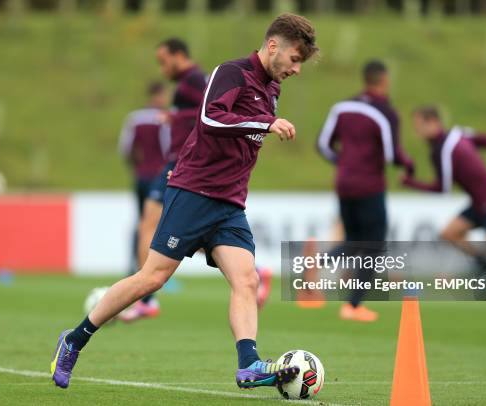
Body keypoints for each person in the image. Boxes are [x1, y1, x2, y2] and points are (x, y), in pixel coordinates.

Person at [51, 13, 318, 390]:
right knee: (152, 278)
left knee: (246, 279)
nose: (296, 69)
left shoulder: (272, 90)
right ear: (273, 46)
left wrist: (261, 125)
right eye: (294, 59)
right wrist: (264, 124)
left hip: (228, 203)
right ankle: (74, 339)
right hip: (194, 192)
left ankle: (249, 365)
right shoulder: (231, 73)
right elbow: (211, 119)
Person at [316, 60, 414, 322]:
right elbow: (393, 155)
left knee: (353, 241)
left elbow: (323, 144)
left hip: (344, 183)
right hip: (369, 186)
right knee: (374, 246)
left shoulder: (342, 107)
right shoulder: (385, 113)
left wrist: (345, 164)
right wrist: (410, 165)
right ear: (384, 80)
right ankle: (353, 305)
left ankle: (317, 263)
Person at [126, 38, 207, 320]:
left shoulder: (193, 81)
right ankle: (253, 271)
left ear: (179, 55)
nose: (162, 69)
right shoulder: (192, 81)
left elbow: (213, 113)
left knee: (148, 225)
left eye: (164, 61)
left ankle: (145, 298)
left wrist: (178, 117)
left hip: (179, 161)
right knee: (174, 232)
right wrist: (178, 117)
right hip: (183, 162)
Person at [402, 106, 486, 275]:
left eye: (419, 126)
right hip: (480, 204)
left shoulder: (443, 150)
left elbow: (443, 188)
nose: (417, 132)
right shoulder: (457, 135)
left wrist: (411, 183)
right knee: (449, 233)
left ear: (434, 122)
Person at [118, 81, 170, 288]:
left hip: (140, 177)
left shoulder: (135, 118)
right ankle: (148, 270)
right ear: (159, 96)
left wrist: (136, 166)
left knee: (141, 222)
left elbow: (125, 148)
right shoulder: (165, 119)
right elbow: (170, 149)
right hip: (158, 178)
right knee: (156, 224)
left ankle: (133, 268)